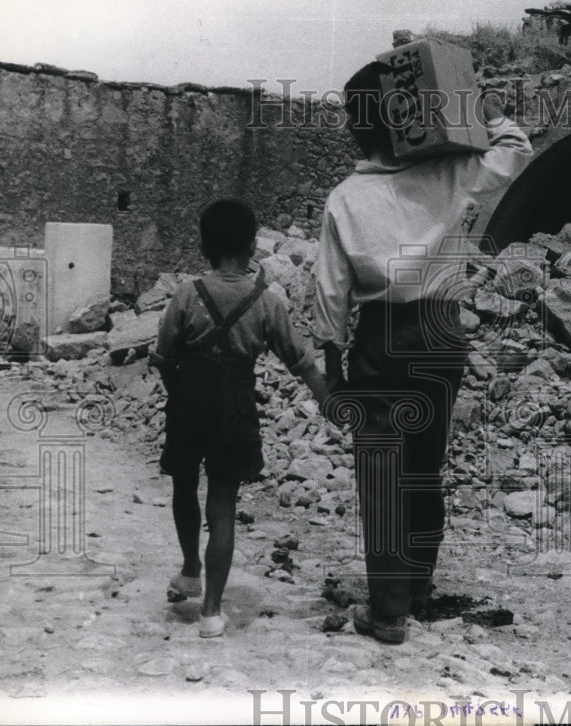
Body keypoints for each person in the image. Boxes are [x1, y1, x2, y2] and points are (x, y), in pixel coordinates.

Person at [313, 62, 533, 643]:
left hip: (379, 339)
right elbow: (516, 147)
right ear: (408, 120)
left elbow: (330, 291)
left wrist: (333, 370)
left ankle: (387, 611)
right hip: (441, 335)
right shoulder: (451, 172)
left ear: (359, 131)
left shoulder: (345, 198)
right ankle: (417, 586)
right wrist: (474, 107)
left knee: (381, 471)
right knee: (425, 468)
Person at [150, 199, 329, 638]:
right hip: (235, 405)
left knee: (183, 486)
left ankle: (190, 568)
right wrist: (331, 402)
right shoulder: (267, 303)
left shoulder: (186, 294)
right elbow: (301, 361)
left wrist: (181, 397)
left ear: (204, 245)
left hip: (189, 401)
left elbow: (164, 356)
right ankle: (211, 611)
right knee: (224, 505)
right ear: (252, 246)